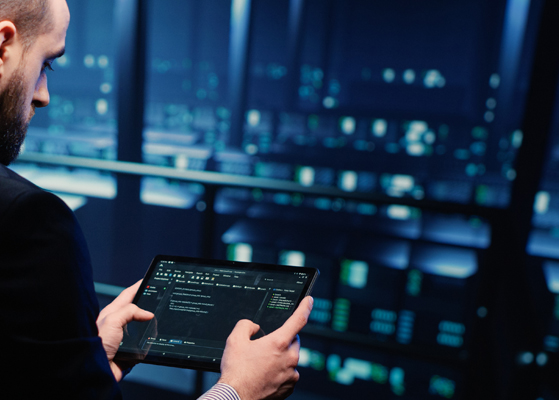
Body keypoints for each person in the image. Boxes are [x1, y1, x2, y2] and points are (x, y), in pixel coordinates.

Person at [0, 0, 313, 399]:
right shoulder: (29, 219)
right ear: (3, 45)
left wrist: (82, 359)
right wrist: (239, 390)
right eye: (47, 63)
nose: (43, 95)